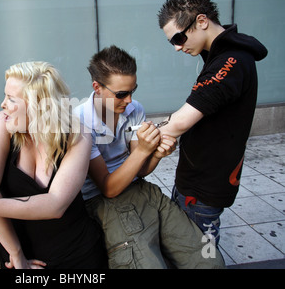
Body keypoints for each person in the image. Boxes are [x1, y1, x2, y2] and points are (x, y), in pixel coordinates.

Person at [74, 45, 225, 269]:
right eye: (121, 94)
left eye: (133, 90)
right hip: (103, 201)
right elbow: (108, 188)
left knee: (208, 259)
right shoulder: (79, 121)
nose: (129, 100)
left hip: (141, 189)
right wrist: (145, 150)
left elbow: (141, 169)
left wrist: (157, 154)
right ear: (97, 87)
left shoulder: (134, 109)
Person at [0, 61, 108, 269]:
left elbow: (56, 205)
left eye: (11, 99)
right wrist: (16, 254)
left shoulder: (78, 134)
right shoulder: (3, 124)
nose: (2, 104)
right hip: (17, 257)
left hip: (76, 254)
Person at [157, 0, 268, 245]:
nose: (176, 47)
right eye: (171, 41)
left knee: (199, 257)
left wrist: (143, 135)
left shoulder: (231, 62)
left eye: (178, 37)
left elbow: (181, 121)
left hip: (204, 186)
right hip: (196, 179)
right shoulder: (221, 57)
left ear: (202, 21)